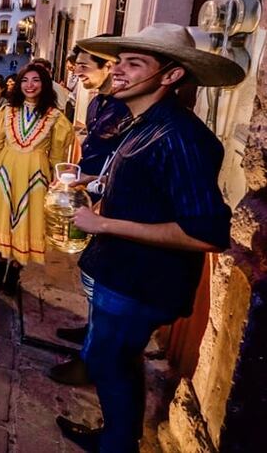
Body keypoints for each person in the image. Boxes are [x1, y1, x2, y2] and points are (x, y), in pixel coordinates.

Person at [55, 24, 242, 452]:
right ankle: (118, 435)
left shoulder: (180, 137)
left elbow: (207, 233)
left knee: (110, 362)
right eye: (118, 61)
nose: (117, 70)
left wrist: (102, 224)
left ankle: (117, 444)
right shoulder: (141, 124)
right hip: (119, 272)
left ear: (171, 75)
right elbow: (145, 190)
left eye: (134, 63)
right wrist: (93, 183)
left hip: (138, 282)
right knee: (114, 360)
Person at [48, 38, 129, 388]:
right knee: (90, 276)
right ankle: (90, 332)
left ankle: (91, 361)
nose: (75, 71)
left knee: (100, 279)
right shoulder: (98, 104)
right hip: (90, 192)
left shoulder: (127, 112)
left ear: (108, 66)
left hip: (109, 204)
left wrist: (91, 187)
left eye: (83, 66)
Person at [0, 63, 73, 295]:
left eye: (36, 80)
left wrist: (56, 185)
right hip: (7, 173)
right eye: (25, 80)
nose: (30, 85)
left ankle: (14, 273)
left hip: (37, 178)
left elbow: (57, 156)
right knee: (3, 219)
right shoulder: (7, 112)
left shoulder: (55, 116)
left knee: (27, 223)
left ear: (44, 84)